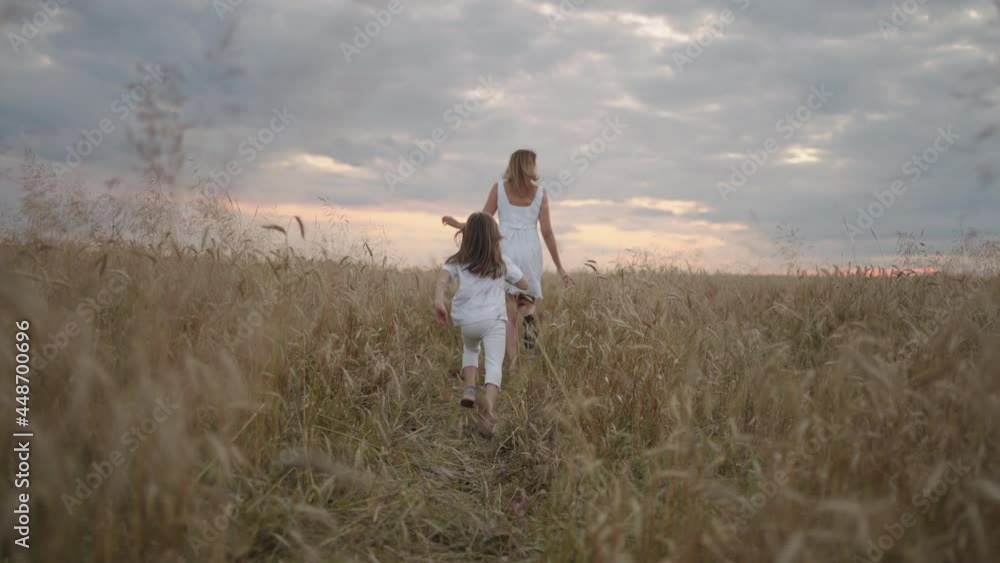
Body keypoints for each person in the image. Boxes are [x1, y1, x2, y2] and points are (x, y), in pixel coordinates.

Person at [442, 149, 573, 362]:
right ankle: (529, 316)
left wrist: (459, 224)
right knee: (526, 299)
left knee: (508, 312)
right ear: (529, 166)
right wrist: (560, 268)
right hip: (530, 250)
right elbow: (547, 232)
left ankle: (512, 365)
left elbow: (482, 220)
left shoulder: (500, 188)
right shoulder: (540, 193)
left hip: (504, 248)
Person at [435, 212, 529, 436]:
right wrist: (509, 278)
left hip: (468, 321)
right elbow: (524, 284)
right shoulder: (501, 262)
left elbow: (442, 279)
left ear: (467, 237)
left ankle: (469, 388)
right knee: (494, 363)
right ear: (494, 238)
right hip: (493, 321)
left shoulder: (458, 261)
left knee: (470, 350)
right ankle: (489, 406)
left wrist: (438, 299)